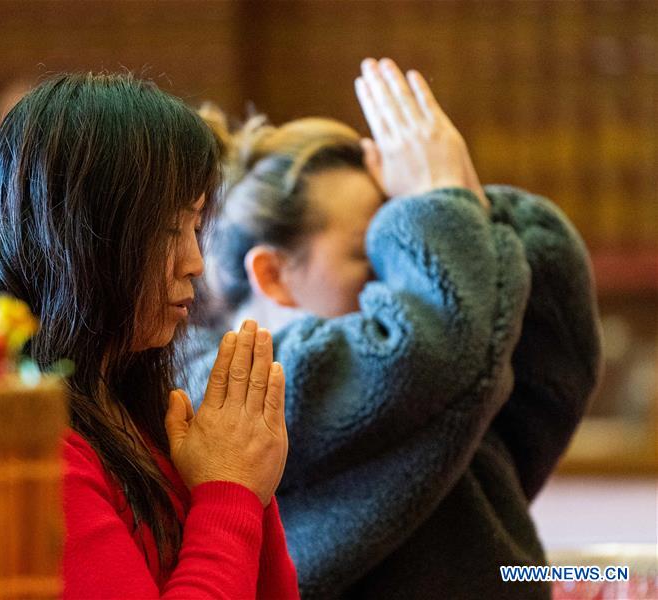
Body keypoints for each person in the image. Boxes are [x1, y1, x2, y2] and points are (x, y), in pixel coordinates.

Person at [184, 58, 601, 598]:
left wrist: (466, 208)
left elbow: (552, 355)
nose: (401, 272)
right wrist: (442, 207)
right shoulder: (225, 390)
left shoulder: (446, 366)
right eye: (370, 252)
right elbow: (413, 353)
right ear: (273, 273)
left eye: (402, 242)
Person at [0, 73, 299, 598]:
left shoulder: (130, 402)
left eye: (196, 226)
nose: (196, 263)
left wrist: (245, 475)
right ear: (79, 239)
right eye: (166, 230)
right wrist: (231, 492)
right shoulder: (25, 446)